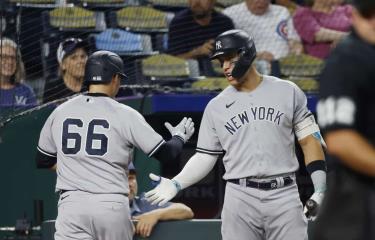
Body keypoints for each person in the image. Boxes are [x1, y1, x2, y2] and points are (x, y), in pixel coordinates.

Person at [145, 30, 327, 240]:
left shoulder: (288, 91)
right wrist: (177, 183)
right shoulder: (216, 106)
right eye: (221, 61)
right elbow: (205, 156)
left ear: (247, 54)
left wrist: (320, 188)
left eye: (229, 59)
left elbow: (308, 140)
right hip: (240, 197)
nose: (225, 67)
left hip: (284, 194)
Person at [35, 50, 195, 240]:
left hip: (72, 205)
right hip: (110, 204)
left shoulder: (60, 111)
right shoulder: (125, 114)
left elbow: (43, 159)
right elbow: (166, 153)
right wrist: (178, 137)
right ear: (114, 78)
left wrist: (78, 170)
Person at [313, 0, 375, 239]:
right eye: (368, 14)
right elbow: (340, 139)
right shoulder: (347, 58)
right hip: (355, 198)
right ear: (354, 15)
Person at [223, 0, 303, 69]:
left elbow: (293, 39)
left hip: (286, 66)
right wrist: (256, 56)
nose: (261, 2)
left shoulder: (282, 11)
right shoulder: (230, 14)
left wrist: (295, 47)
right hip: (250, 67)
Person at [167, 0, 234, 75]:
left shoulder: (224, 22)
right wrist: (197, 53)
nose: (197, 2)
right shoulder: (179, 22)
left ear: (213, 2)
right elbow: (171, 61)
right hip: (188, 77)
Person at [128, 162, 194, 238]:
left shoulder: (144, 202)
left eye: (131, 178)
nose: (129, 184)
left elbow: (186, 211)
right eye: (123, 179)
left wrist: (155, 214)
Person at [42, 38, 88, 103]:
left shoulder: (93, 86)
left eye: (83, 56)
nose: (80, 61)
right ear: (63, 65)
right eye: (74, 58)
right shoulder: (53, 89)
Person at [0, 37, 37, 107]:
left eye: (13, 58)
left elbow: (35, 117)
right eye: (4, 57)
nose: (10, 62)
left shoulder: (26, 91)